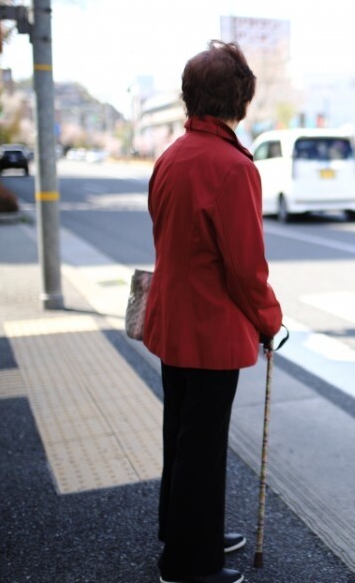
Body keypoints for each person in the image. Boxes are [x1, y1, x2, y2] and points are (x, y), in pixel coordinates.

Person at [143, 40, 283, 583]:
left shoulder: (171, 157)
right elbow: (246, 269)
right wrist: (271, 322)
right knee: (202, 447)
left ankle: (183, 530)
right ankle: (187, 563)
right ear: (240, 98)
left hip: (170, 320)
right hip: (209, 329)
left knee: (180, 435)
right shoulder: (233, 167)